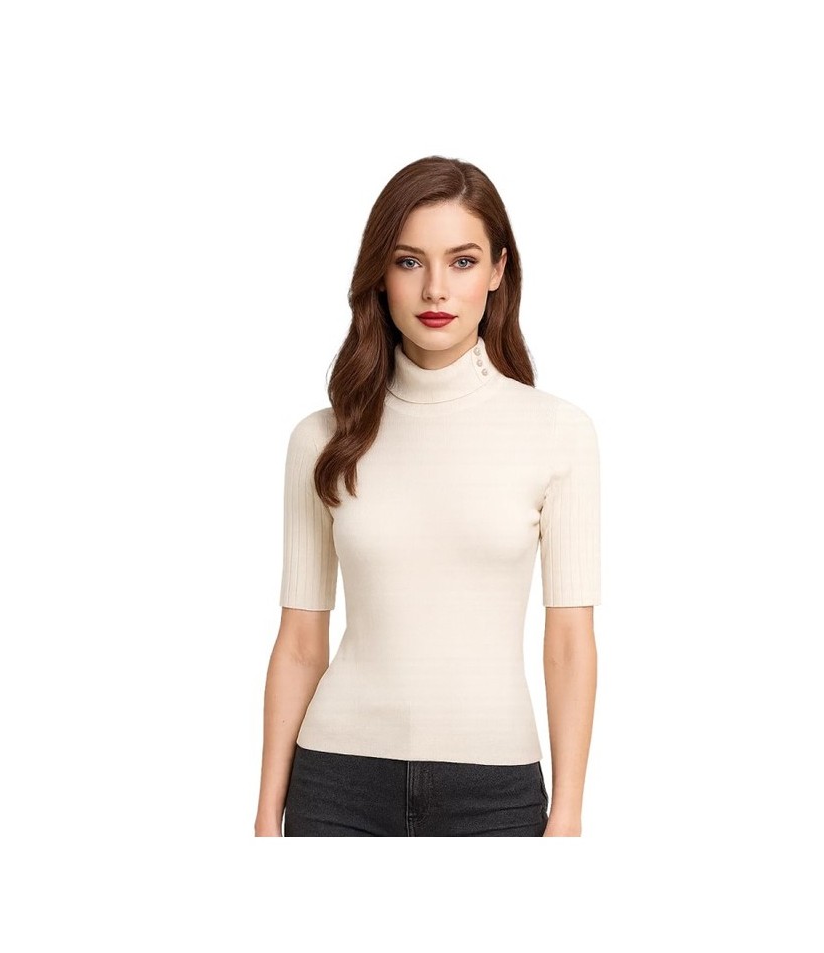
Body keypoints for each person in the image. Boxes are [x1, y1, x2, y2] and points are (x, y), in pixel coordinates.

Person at [255, 156, 600, 837]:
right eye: (409, 261)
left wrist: (568, 816)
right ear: (379, 275)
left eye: (462, 261)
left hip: (494, 794)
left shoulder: (558, 432)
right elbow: (298, 643)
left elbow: (569, 643)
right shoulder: (322, 439)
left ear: (498, 271)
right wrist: (268, 815)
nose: (435, 288)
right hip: (336, 787)